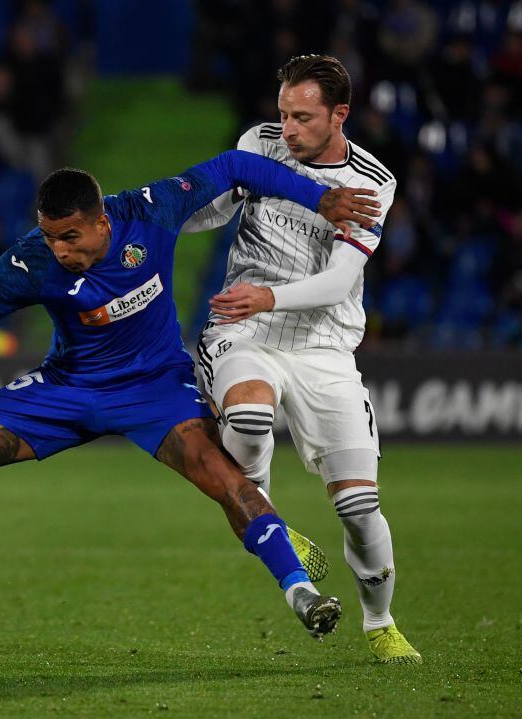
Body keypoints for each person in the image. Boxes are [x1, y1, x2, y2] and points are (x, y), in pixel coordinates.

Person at [0, 147, 381, 658]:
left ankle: (301, 592)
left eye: (69, 236)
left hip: (156, 389)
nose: (59, 249)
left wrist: (319, 198)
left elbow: (237, 164)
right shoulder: (30, 263)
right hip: (69, 388)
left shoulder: (153, 211)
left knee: (225, 479)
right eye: (50, 236)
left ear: (102, 223)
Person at [182, 54, 421, 665]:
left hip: (324, 344)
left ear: (340, 114)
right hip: (245, 329)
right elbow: (219, 208)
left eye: (303, 117)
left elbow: (339, 282)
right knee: (250, 415)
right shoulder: (259, 143)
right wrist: (165, 217)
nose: (287, 128)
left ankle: (381, 622)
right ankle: (268, 520)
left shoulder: (371, 181)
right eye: (284, 113)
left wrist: (269, 294)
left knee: (359, 508)